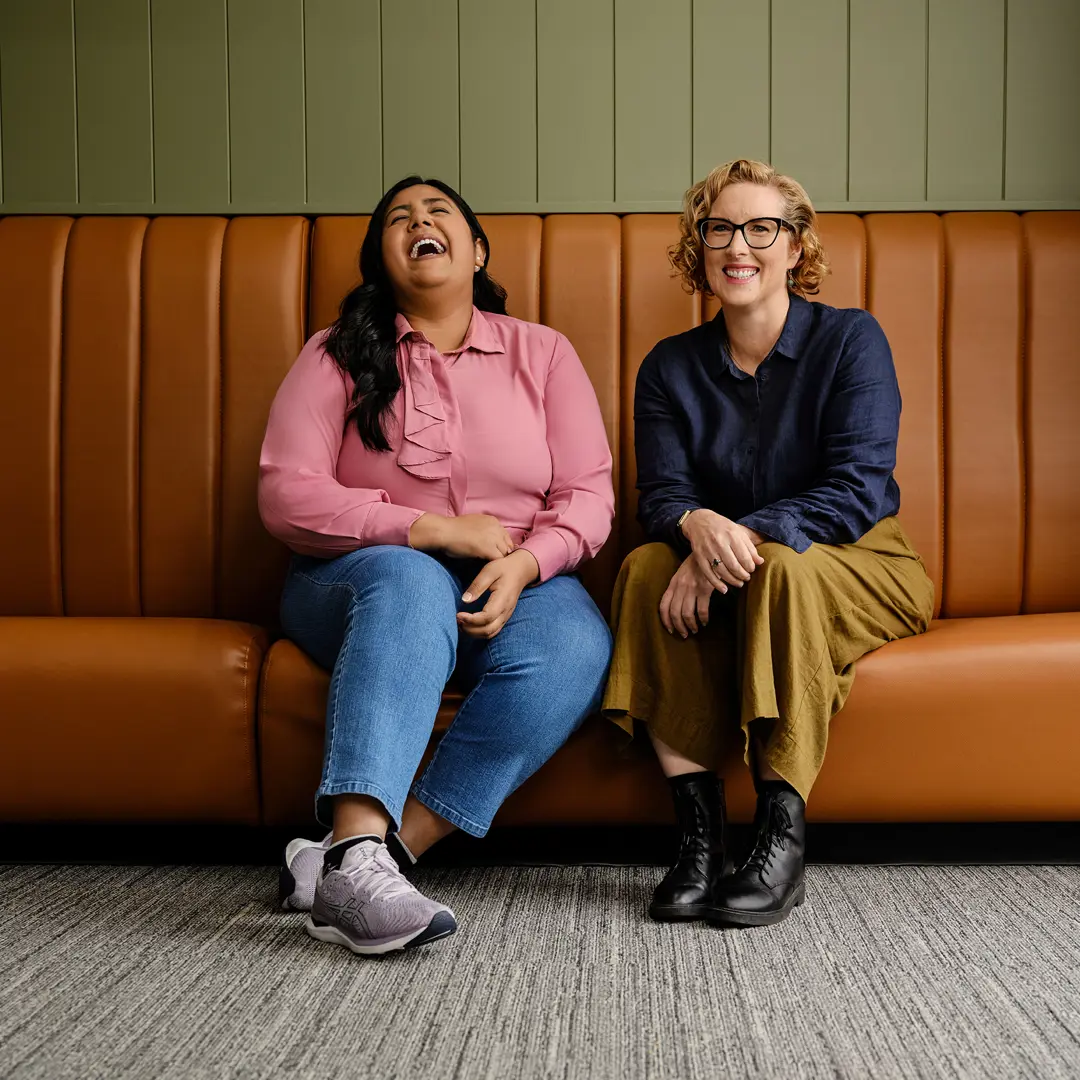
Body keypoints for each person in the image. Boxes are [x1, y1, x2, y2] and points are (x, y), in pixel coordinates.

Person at [259, 176, 614, 956]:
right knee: (412, 581)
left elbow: (589, 495)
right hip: (358, 577)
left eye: (439, 212)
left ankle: (371, 864)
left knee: (578, 647)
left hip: (512, 575)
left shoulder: (543, 353)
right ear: (381, 260)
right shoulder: (334, 353)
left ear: (477, 249)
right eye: (398, 218)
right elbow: (286, 494)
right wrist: (424, 528)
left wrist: (528, 562)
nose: (419, 221)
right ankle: (354, 841)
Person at [602, 159, 934, 928]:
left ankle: (781, 834)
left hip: (863, 564)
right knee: (647, 568)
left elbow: (856, 489)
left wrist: (734, 534)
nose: (737, 246)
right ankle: (700, 838)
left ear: (795, 247)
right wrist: (691, 528)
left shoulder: (852, 341)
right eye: (719, 229)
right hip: (733, 571)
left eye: (761, 228)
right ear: (700, 248)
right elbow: (663, 498)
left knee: (779, 567)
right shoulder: (668, 367)